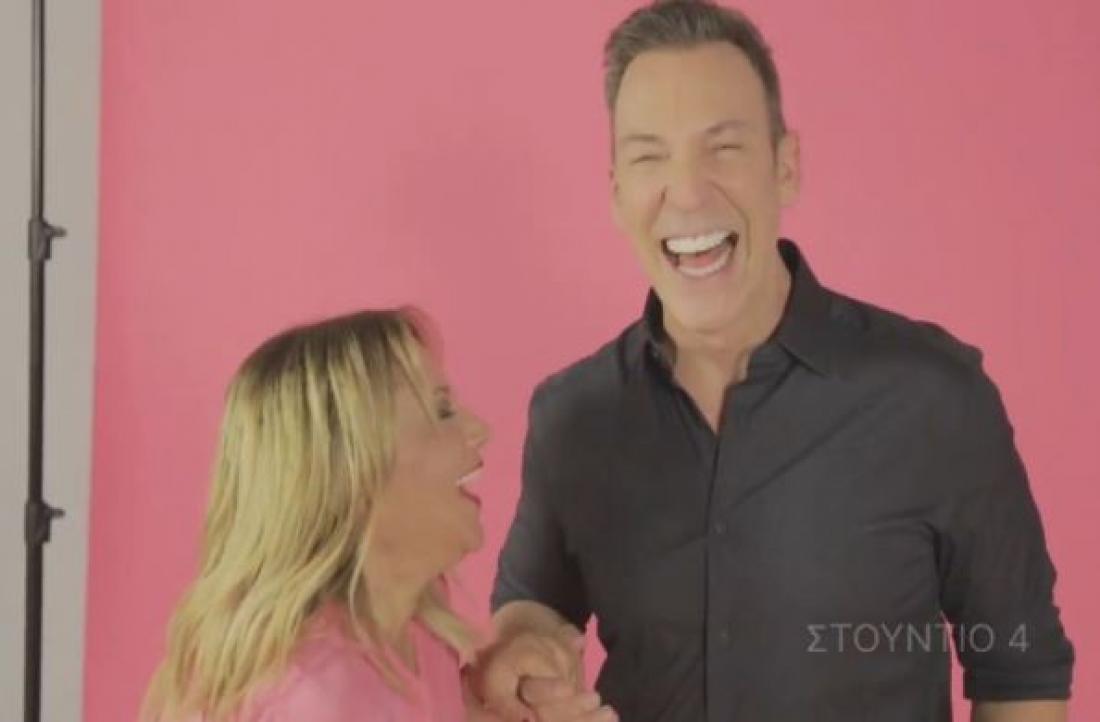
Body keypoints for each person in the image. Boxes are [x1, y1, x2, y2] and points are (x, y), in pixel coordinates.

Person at [466, 2, 1075, 721]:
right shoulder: (571, 417)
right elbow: (532, 607)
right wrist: (522, 648)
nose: (687, 192)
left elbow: (1020, 669)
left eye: (723, 148)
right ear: (617, 192)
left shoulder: (935, 397)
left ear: (785, 168)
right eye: (649, 156)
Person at [142, 308, 494, 722]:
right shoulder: (316, 692)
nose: (480, 429)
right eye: (443, 410)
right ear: (353, 469)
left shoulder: (422, 640)